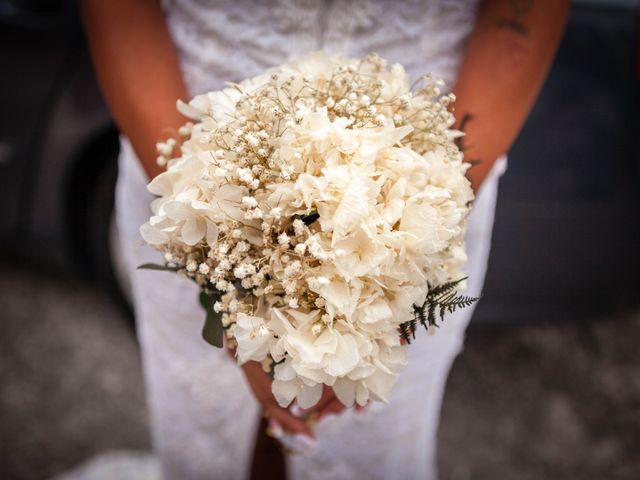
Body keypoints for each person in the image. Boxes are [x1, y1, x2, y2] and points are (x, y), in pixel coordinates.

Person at [81, 1, 568, 478]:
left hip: (421, 177)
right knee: (203, 425)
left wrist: (428, 207)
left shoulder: (424, 201)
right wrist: (223, 265)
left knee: (371, 443)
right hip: (188, 147)